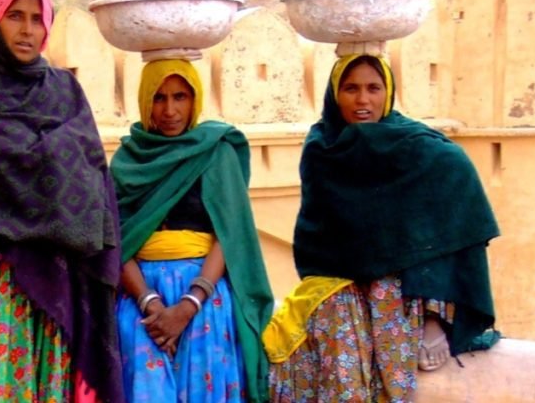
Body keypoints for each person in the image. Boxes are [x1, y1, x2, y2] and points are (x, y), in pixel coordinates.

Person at [263, 53, 500, 402]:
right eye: (351, 89)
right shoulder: (321, 147)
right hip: (337, 275)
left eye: (373, 88)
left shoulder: (415, 145)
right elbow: (320, 232)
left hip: (402, 278)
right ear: (334, 94)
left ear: (387, 93)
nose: (363, 100)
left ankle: (435, 319)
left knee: (427, 236)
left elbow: (456, 183)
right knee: (332, 360)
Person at [0, 0, 123, 403]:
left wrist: (39, 155)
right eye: (15, 16)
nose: (28, 30)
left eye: (38, 19)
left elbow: (94, 174)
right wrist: (56, 153)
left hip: (56, 274)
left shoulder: (64, 90)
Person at [111, 58, 275, 403]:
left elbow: (229, 237)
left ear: (194, 100)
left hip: (203, 300)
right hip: (141, 300)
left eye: (180, 97)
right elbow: (115, 242)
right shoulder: (127, 161)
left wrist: (188, 305)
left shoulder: (216, 152)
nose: (170, 109)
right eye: (159, 98)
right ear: (144, 101)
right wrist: (150, 303)